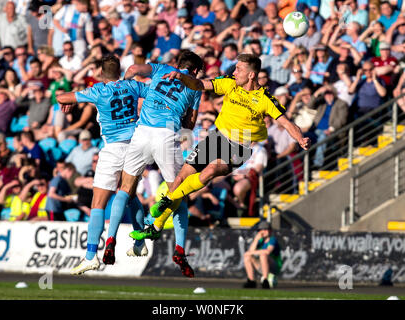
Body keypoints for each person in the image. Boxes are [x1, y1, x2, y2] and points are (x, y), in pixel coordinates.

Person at [132, 53, 310, 246]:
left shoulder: (265, 98)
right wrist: (182, 77)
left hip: (240, 146)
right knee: (180, 178)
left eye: (239, 69)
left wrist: (300, 138)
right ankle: (156, 227)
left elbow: (287, 123)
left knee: (212, 169)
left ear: (251, 75)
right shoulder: (229, 83)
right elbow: (200, 85)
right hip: (217, 138)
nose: (234, 72)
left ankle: (168, 200)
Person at [107, 50, 204, 277]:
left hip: (142, 133)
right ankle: (179, 249)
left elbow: (132, 69)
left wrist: (123, 86)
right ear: (196, 70)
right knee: (178, 195)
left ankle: (112, 239)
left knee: (125, 189)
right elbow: (190, 124)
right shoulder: (195, 85)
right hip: (166, 134)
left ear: (177, 63)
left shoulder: (161, 68)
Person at [56, 55, 149, 275]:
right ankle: (139, 242)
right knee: (129, 194)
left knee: (98, 203)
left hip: (113, 148)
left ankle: (90, 256)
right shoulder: (133, 85)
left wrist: (65, 103)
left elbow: (62, 96)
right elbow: (153, 92)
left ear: (100, 73)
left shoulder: (97, 90)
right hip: (135, 146)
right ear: (120, 70)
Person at [243, 221, 282, 289]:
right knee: (247, 257)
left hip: (274, 266)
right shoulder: (260, 241)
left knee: (263, 255)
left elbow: (267, 252)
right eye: (261, 230)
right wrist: (256, 240)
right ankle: (251, 281)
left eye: (265, 229)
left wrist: (251, 252)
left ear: (270, 230)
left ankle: (265, 280)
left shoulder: (272, 240)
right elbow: (250, 251)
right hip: (263, 266)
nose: (263, 232)